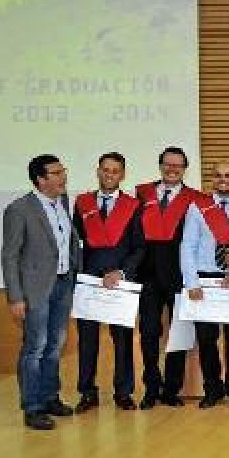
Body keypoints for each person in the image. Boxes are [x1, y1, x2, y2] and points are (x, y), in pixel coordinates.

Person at [1, 154, 80, 430]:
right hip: (35, 290)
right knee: (35, 347)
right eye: (56, 173)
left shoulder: (63, 202)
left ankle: (49, 397)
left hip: (63, 284)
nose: (63, 177)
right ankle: (33, 407)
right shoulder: (19, 209)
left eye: (63, 171)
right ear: (40, 180)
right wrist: (15, 296)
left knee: (55, 345)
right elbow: (10, 256)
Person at [72, 152, 144, 413]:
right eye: (105, 170)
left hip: (120, 283)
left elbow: (139, 247)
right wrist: (79, 275)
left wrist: (122, 272)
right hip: (89, 282)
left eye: (115, 171)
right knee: (87, 341)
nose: (109, 175)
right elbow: (76, 243)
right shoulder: (83, 203)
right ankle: (87, 393)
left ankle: (123, 393)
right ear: (98, 171)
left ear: (122, 175)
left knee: (122, 340)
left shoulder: (133, 205)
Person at [135, 146, 201, 409]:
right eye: (168, 164)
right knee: (149, 332)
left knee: (179, 334)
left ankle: (172, 389)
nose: (172, 169)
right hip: (148, 276)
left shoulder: (194, 199)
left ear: (185, 169)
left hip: (180, 276)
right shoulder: (142, 195)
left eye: (178, 165)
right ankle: (151, 387)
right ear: (160, 165)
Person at [180, 161, 229, 411]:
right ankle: (212, 389)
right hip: (204, 279)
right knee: (207, 339)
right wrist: (191, 282)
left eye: (228, 175)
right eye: (218, 175)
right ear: (212, 179)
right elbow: (188, 245)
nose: (223, 179)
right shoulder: (197, 207)